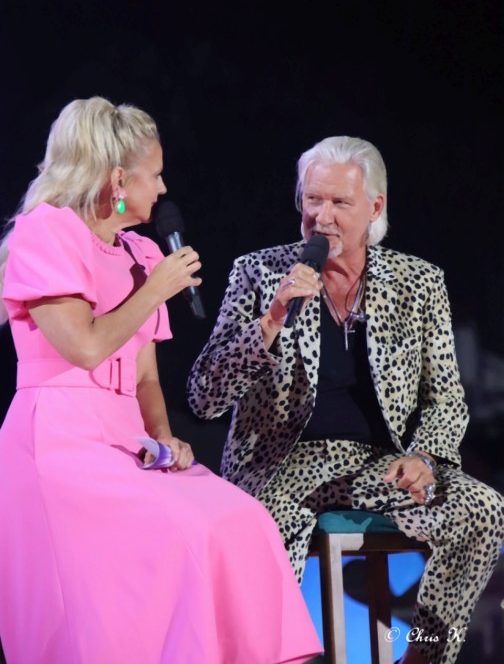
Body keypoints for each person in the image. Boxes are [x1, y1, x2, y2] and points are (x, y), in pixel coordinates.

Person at [0, 97, 322, 664]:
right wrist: (155, 290)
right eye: (154, 174)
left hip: (127, 439)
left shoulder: (141, 251)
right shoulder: (46, 232)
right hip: (59, 441)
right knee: (182, 534)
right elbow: (85, 346)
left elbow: (145, 375)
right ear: (119, 181)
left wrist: (165, 438)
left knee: (242, 520)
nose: (164, 186)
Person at [187, 135, 504, 664]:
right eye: (313, 199)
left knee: (484, 510)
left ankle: (424, 656)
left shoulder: (419, 283)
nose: (322, 216)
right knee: (255, 541)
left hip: (382, 466)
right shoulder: (259, 273)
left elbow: (447, 398)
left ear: (375, 208)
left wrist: (424, 457)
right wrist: (271, 320)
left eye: (339, 202)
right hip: (282, 468)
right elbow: (204, 397)